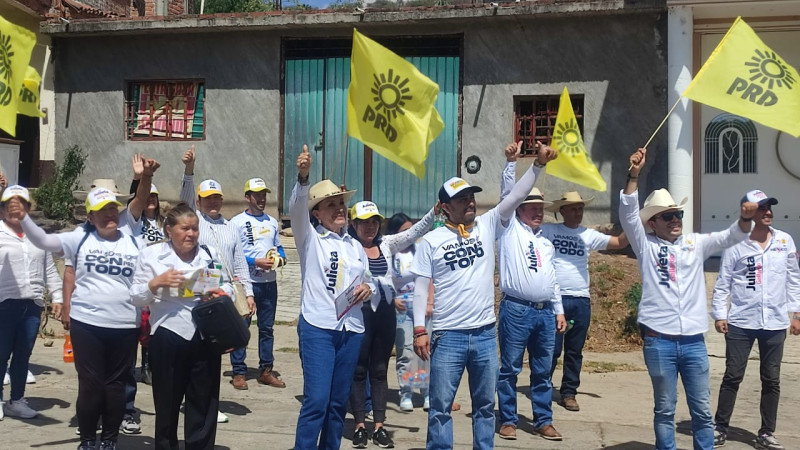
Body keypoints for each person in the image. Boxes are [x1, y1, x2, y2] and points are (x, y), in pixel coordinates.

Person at [411, 141, 557, 450]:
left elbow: (517, 196)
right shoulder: (431, 241)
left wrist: (538, 165)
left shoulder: (487, 225)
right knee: (439, 410)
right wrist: (420, 329)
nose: (470, 202)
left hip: (484, 336)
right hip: (448, 336)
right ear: (444, 207)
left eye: (471, 196)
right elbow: (421, 288)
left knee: (483, 409)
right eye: (460, 199)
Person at [12, 159, 157, 449]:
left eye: (112, 209)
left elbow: (140, 199)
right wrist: (24, 217)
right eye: (101, 211)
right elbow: (43, 240)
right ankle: (89, 440)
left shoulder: (130, 234)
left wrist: (147, 176)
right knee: (91, 385)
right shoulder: (80, 237)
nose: (109, 215)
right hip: (87, 324)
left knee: (116, 386)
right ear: (90, 217)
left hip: (124, 324)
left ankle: (110, 441)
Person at [620, 147, 756, 450]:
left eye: (677, 214)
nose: (675, 220)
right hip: (659, 341)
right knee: (665, 409)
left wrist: (745, 220)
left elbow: (730, 237)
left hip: (694, 341)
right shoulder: (646, 246)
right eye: (667, 216)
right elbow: (628, 213)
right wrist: (634, 175)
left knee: (702, 411)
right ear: (652, 223)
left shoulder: (695, 243)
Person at [291, 144, 373, 450]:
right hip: (318, 328)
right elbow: (297, 210)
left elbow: (367, 281)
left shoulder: (354, 246)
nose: (340, 208)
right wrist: (302, 178)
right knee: (316, 401)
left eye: (342, 203)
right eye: (331, 205)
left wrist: (369, 289)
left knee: (338, 404)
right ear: (317, 213)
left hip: (351, 329)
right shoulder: (310, 238)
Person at [130, 203, 231, 450]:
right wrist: (155, 284)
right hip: (168, 334)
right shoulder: (151, 255)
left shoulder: (208, 254)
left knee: (203, 404)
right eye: (185, 229)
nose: (191, 234)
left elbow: (227, 284)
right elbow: (135, 296)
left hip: (205, 335)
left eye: (195, 229)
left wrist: (222, 293)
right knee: (167, 405)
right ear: (169, 230)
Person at [710, 190, 800, 450]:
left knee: (771, 379)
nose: (768, 212)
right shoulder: (736, 244)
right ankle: (720, 427)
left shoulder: (785, 241)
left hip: (774, 323)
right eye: (762, 208)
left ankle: (766, 432)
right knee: (732, 376)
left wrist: (796, 314)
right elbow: (723, 282)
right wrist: (720, 314)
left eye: (770, 207)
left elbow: (794, 279)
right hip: (741, 322)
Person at [348, 201, 435, 449]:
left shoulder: (386, 244)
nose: (370, 227)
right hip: (359, 315)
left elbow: (414, 232)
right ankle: (359, 426)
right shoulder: (348, 245)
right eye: (364, 222)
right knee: (358, 370)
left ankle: (379, 426)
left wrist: (435, 210)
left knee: (379, 369)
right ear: (354, 224)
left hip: (385, 315)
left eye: (374, 221)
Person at [495, 140, 566, 442]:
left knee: (543, 370)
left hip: (544, 312)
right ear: (520, 208)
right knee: (510, 367)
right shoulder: (508, 228)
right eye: (532, 207)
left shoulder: (545, 242)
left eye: (540, 209)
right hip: (516, 309)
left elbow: (553, 280)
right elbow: (506, 196)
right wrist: (511, 164)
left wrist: (559, 310)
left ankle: (543, 420)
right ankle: (508, 418)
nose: (538, 212)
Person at [539, 190, 628, 412]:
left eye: (580, 209)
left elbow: (618, 242)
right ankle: (542, 387)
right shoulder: (549, 230)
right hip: (555, 299)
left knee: (574, 350)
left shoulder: (587, 234)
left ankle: (569, 392)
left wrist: (636, 222)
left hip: (580, 299)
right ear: (562, 211)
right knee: (552, 348)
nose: (578, 213)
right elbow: (525, 223)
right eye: (573, 208)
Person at [179, 146, 255, 396]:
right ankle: (191, 397)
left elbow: (241, 263)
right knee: (194, 348)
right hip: (198, 293)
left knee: (216, 350)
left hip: (224, 297)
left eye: (217, 197)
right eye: (207, 197)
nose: (213, 201)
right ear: (199, 201)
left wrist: (250, 292)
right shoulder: (194, 221)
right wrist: (189, 171)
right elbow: (184, 200)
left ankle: (210, 401)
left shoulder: (231, 227)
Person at [0, 185, 63, 420]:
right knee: (0, 354)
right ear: (4, 209)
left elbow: (49, 268)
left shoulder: (38, 236)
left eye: (21, 205)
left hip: (32, 305)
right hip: (3, 303)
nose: (15, 210)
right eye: (10, 205)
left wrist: (57, 296)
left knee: (22, 355)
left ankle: (16, 400)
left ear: (28, 208)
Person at [229, 178, 287, 388]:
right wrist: (254, 261)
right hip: (247, 283)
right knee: (241, 328)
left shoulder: (271, 221)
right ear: (247, 197)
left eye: (264, 194)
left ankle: (266, 370)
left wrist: (279, 259)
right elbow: (232, 254)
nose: (261, 199)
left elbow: (279, 248)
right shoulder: (235, 223)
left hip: (269, 283)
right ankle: (238, 372)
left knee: (267, 329)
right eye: (257, 195)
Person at [389, 213, 433, 413]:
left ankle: (425, 392)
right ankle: (406, 392)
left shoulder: (420, 249)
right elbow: (379, 278)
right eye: (404, 231)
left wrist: (430, 303)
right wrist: (392, 298)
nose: (409, 235)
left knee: (424, 355)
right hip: (401, 310)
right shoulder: (390, 251)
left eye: (411, 229)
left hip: (422, 310)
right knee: (406, 353)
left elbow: (429, 277)